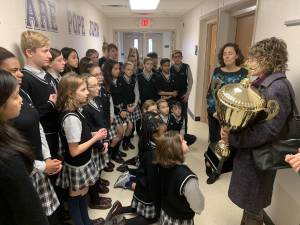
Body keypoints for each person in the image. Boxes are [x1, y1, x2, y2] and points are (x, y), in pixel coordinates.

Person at [220, 37, 292, 225]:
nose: (248, 63)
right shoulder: (262, 82)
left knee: (254, 205)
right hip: (252, 154)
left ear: (269, 59)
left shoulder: (277, 88)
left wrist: (234, 139)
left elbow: (268, 130)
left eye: (253, 59)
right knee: (250, 204)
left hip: (260, 156)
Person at [0, 47, 63, 225]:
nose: (20, 74)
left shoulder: (23, 93)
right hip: (31, 171)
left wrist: (47, 157)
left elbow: (37, 124)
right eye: (13, 71)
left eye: (19, 69)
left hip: (37, 166)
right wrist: (42, 166)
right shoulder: (8, 157)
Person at [56, 73, 106, 225]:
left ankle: (87, 221)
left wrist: (92, 134)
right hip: (77, 163)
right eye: (83, 90)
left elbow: (79, 135)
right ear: (71, 93)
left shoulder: (76, 110)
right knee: (75, 196)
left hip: (83, 162)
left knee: (83, 193)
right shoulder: (71, 117)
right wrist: (95, 138)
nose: (87, 93)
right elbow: (74, 150)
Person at [0, 69, 49, 225]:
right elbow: (29, 212)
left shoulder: (8, 131)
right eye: (15, 97)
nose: (21, 100)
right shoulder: (8, 157)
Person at [107, 112, 167, 225]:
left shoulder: (149, 144)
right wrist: (157, 201)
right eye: (165, 133)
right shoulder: (153, 155)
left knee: (137, 208)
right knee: (152, 218)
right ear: (155, 136)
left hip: (142, 186)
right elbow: (153, 180)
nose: (167, 135)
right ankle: (123, 223)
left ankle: (119, 209)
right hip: (149, 191)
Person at [206, 42, 248, 184]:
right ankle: (213, 167)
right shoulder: (218, 71)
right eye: (224, 53)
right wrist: (213, 112)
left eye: (230, 53)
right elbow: (211, 92)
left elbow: (245, 97)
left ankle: (225, 167)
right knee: (215, 141)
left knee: (230, 143)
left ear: (237, 55)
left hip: (234, 117)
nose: (227, 56)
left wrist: (232, 116)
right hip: (216, 114)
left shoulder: (244, 73)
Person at [155, 131, 204, 225]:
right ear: (174, 149)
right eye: (182, 141)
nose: (186, 142)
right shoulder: (188, 178)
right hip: (180, 220)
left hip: (165, 213)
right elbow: (198, 206)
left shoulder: (161, 164)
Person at [82, 75, 112, 210]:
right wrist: (100, 145)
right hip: (94, 144)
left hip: (101, 140)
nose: (98, 88)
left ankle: (98, 188)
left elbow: (103, 120)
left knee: (98, 169)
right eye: (93, 86)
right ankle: (95, 199)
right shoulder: (85, 107)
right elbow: (88, 131)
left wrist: (105, 140)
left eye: (98, 85)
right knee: (93, 173)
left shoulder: (97, 100)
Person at [170, 50, 193, 133]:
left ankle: (184, 134)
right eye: (175, 57)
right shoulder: (170, 68)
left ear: (181, 57)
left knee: (183, 115)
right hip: (173, 95)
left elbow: (190, 81)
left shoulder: (186, 67)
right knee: (173, 114)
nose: (177, 58)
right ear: (172, 58)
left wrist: (187, 94)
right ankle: (174, 134)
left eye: (179, 57)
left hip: (183, 95)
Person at [120, 61, 141, 150]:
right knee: (130, 126)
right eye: (128, 69)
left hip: (133, 105)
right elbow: (119, 96)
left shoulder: (134, 79)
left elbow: (137, 93)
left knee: (132, 127)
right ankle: (125, 141)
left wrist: (135, 105)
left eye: (132, 70)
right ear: (124, 70)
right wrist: (125, 107)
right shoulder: (120, 80)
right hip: (124, 107)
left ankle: (128, 142)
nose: (130, 71)